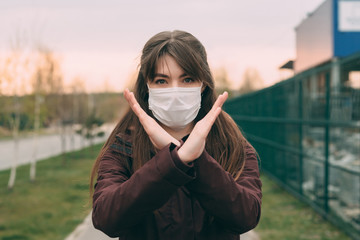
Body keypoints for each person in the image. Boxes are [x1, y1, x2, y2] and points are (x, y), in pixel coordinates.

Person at [90, 30, 262, 240]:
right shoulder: (124, 147)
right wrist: (175, 160)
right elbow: (106, 219)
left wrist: (193, 159)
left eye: (187, 79)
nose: (175, 91)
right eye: (162, 81)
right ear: (147, 86)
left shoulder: (232, 145)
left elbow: (246, 217)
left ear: (203, 84)